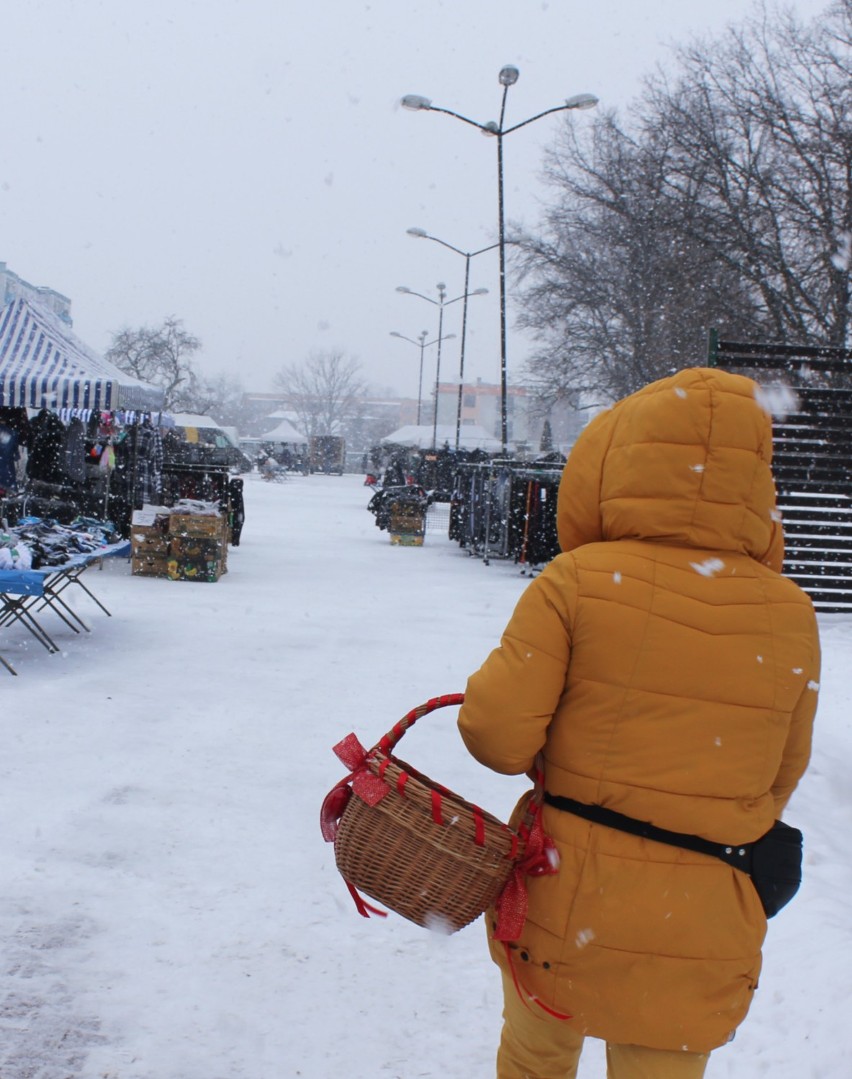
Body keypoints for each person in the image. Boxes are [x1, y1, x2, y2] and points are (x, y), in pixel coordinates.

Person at [457, 367, 820, 1079]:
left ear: (616, 461)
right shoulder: (791, 614)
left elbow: (496, 738)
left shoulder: (577, 582)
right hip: (705, 918)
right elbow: (781, 775)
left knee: (535, 1059)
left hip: (564, 901)